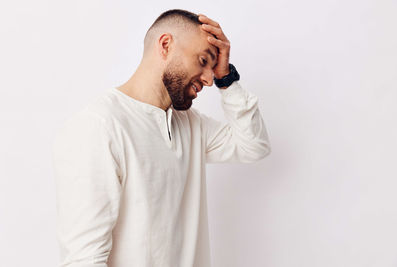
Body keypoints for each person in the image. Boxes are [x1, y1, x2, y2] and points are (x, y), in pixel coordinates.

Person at [51, 8, 271, 267]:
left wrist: (228, 79)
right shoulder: (98, 127)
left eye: (213, 69)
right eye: (203, 61)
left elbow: (253, 145)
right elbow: (84, 260)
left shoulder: (190, 125)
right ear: (166, 45)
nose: (209, 79)